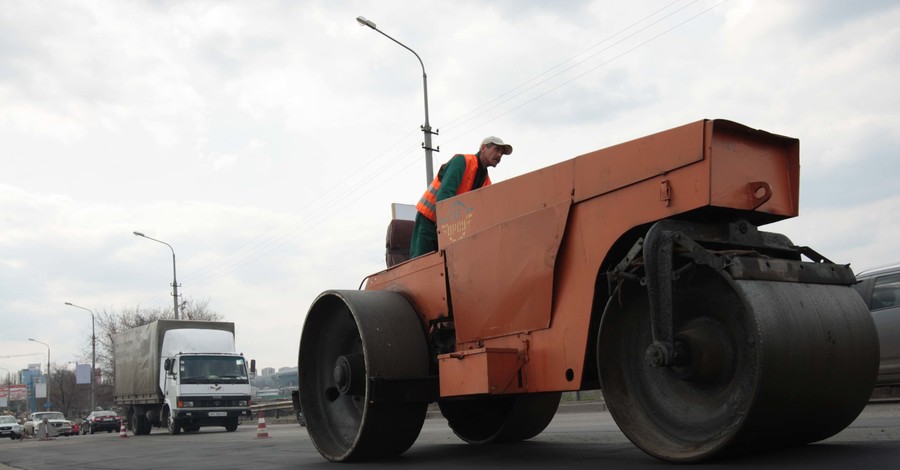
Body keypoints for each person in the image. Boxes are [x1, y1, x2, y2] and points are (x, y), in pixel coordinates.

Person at [408, 136, 513, 258]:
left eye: (502, 153)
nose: (500, 155)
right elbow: (445, 195)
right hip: (429, 222)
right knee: (421, 263)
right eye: (497, 149)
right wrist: (446, 231)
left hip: (450, 229)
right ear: (483, 148)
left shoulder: (486, 182)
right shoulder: (462, 161)